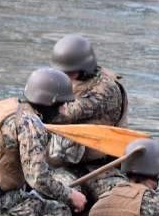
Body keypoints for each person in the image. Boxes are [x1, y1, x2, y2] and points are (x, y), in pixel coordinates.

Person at [0, 68, 88, 216]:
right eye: (62, 105)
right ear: (50, 103)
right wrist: (71, 196)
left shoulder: (7, 106)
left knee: (34, 193)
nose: (64, 111)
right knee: (59, 210)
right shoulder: (31, 124)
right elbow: (38, 179)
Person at [47, 34, 130, 204]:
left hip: (99, 168)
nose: (65, 77)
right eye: (61, 72)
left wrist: (35, 110)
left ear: (84, 68)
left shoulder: (105, 90)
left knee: (121, 202)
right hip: (64, 165)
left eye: (70, 72)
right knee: (57, 196)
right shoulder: (63, 81)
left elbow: (67, 114)